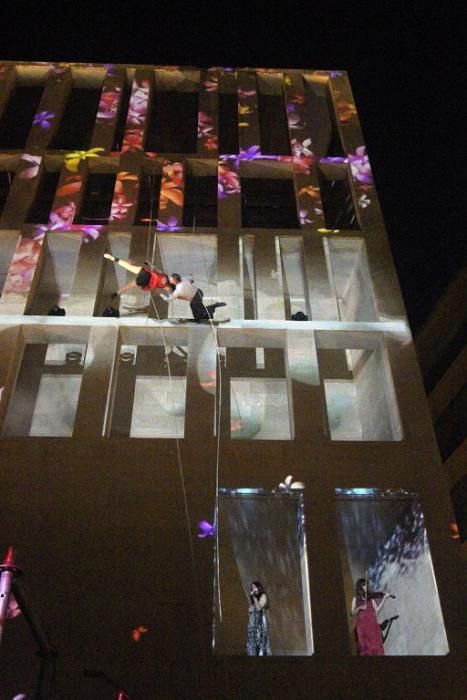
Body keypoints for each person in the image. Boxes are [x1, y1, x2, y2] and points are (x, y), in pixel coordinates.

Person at [160, 273, 226, 321]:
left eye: (171, 279)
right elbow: (191, 279)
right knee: (197, 311)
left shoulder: (177, 290)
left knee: (199, 311)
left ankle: (213, 307)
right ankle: (207, 316)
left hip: (195, 299)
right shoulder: (184, 279)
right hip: (199, 292)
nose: (170, 280)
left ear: (174, 281)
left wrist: (162, 295)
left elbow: (169, 299)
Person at [351, 577, 390, 656]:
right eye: (364, 585)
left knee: (377, 649)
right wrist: (359, 608)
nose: (366, 587)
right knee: (366, 650)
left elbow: (376, 610)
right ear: (360, 587)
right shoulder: (355, 599)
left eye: (366, 585)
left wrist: (384, 598)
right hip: (362, 628)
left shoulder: (371, 599)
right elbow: (351, 613)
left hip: (373, 626)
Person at [103, 253, 171, 297]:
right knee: (128, 286)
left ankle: (114, 259)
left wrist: (148, 263)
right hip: (146, 278)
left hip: (146, 274)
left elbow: (155, 268)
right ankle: (115, 294)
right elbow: (156, 269)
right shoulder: (166, 284)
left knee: (129, 267)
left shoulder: (165, 277)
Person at [246, 581, 272, 656]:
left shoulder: (263, 596)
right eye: (252, 588)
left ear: (259, 587)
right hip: (252, 625)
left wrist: (254, 597)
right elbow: (253, 611)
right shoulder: (255, 599)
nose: (253, 589)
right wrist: (250, 610)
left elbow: (258, 608)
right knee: (252, 644)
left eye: (255, 587)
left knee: (260, 643)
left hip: (260, 625)